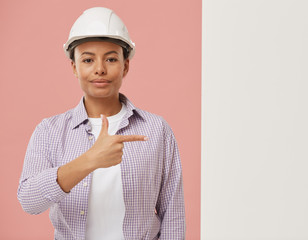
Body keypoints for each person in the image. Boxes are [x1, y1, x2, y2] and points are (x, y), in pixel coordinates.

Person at [17, 7, 185, 240]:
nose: (100, 69)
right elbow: (29, 201)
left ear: (125, 65)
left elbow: (173, 214)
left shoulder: (157, 130)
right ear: (74, 67)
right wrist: (90, 160)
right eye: (88, 59)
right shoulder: (50, 131)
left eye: (111, 59)